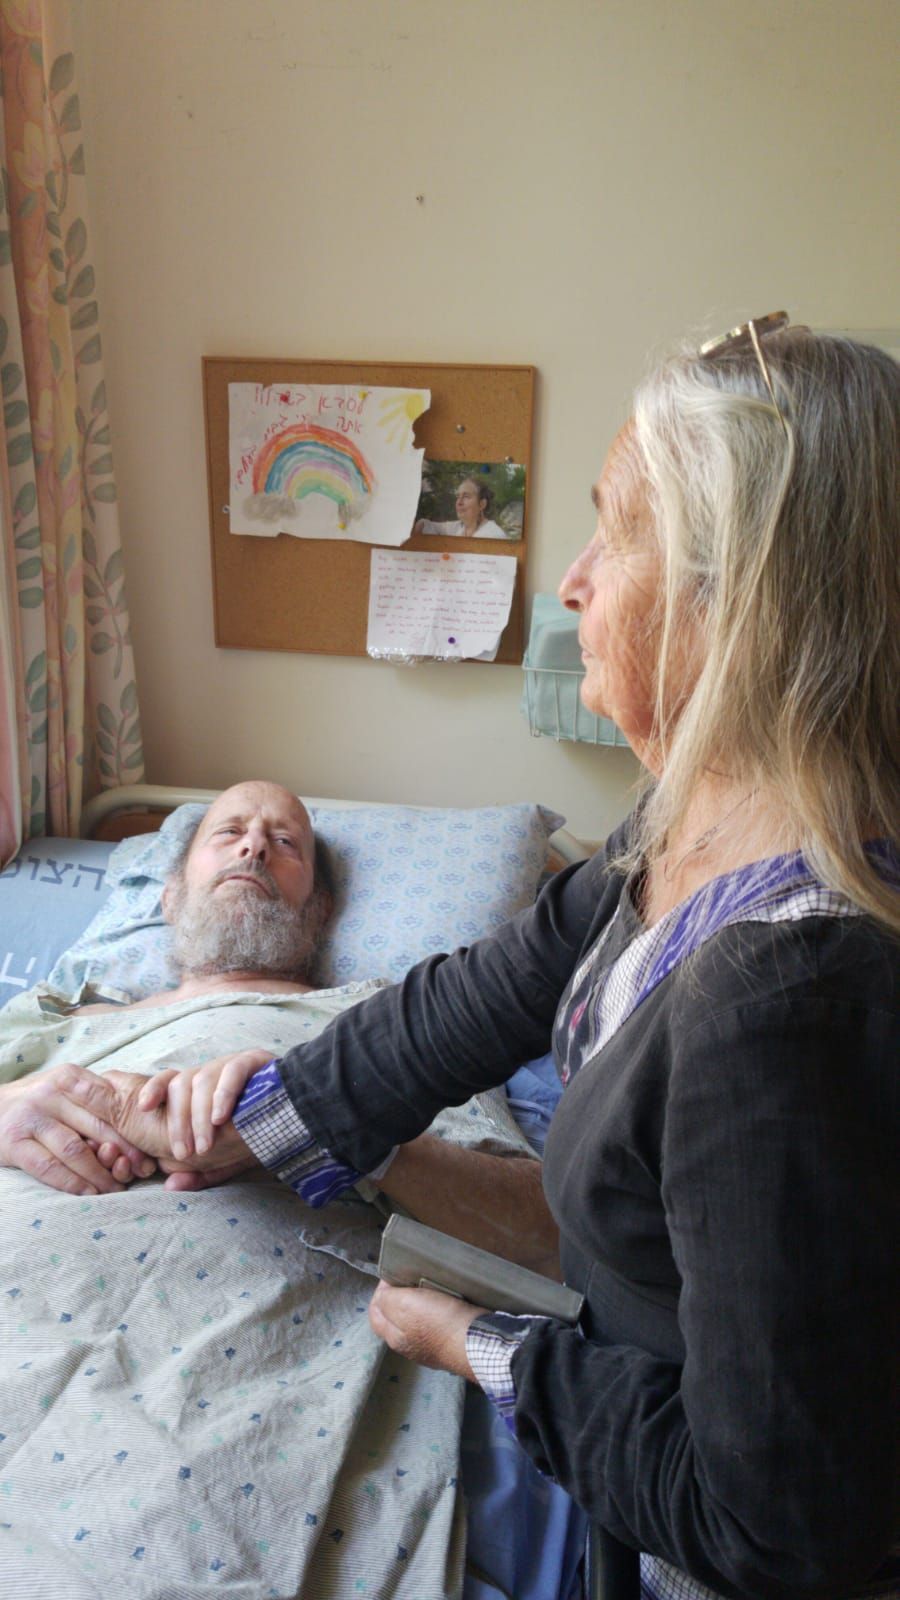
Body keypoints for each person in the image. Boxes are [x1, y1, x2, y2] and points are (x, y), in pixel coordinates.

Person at [150, 322, 899, 1599]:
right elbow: (479, 995)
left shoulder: (785, 999)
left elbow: (773, 1522)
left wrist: (482, 1344)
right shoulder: (692, 820)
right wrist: (261, 1122)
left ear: (742, 600)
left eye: (616, 532)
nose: (572, 581)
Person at [0, 779, 544, 1596]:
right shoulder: (51, 1018)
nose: (255, 846)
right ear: (173, 890)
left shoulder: (391, 1026)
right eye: (229, 833)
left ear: (320, 912)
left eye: (286, 843)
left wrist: (320, 1124)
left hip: (199, 1382)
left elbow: (545, 1238)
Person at [414, 474, 509, 538]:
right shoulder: (459, 527)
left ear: (482, 504)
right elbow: (426, 526)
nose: (459, 502)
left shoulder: (493, 534)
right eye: (458, 496)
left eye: (466, 496)